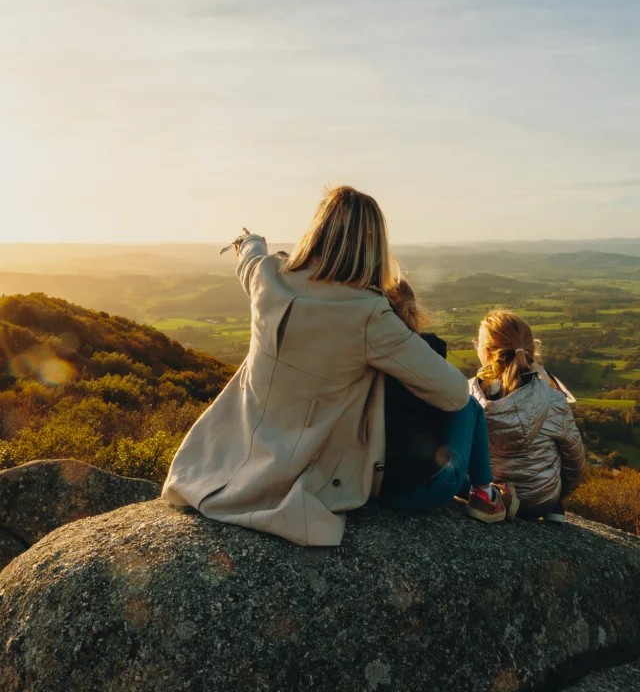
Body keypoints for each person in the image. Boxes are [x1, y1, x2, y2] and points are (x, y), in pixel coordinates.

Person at [162, 186, 469, 547]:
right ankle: (482, 491)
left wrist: (249, 241)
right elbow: (454, 393)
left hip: (223, 462)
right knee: (470, 412)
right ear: (373, 248)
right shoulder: (369, 315)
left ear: (316, 231)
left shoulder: (269, 277)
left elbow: (249, 260)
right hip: (303, 477)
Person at [380, 280, 518, 523]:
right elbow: (457, 401)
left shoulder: (359, 357)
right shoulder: (425, 353)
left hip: (370, 486)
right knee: (467, 404)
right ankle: (485, 492)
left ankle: (480, 488)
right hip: (421, 490)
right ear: (414, 312)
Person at [470, 310, 585, 523]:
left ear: (486, 352)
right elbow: (574, 458)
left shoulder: (468, 395)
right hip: (541, 501)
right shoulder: (553, 398)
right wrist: (560, 495)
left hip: (484, 492)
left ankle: (498, 496)